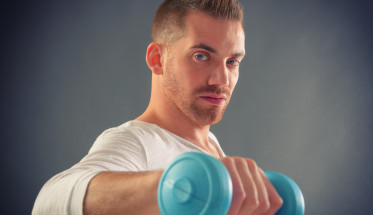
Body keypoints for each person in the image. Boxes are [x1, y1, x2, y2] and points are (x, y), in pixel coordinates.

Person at [33, 0, 283, 214]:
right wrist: (177, 186)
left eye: (232, 61)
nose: (222, 80)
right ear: (157, 59)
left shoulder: (210, 145)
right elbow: (48, 203)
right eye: (201, 56)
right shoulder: (138, 141)